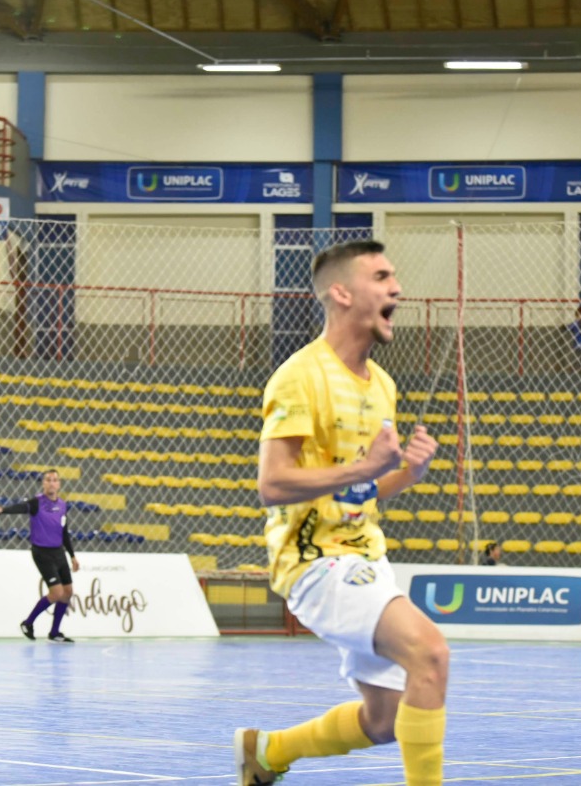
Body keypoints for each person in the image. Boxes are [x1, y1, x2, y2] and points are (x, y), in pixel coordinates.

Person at [237, 239, 447, 786]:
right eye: (381, 276)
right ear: (341, 292)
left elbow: (366, 491)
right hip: (314, 562)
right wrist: (363, 470)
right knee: (430, 654)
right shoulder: (299, 375)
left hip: (364, 556)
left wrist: (409, 473)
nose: (396, 287)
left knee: (383, 723)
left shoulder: (383, 386)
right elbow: (272, 483)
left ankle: (268, 751)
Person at [0, 469, 80, 642]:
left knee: (68, 592)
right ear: (43, 483)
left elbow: (64, 532)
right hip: (42, 553)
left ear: (59, 484)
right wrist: (3, 510)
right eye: (48, 479)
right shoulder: (37, 502)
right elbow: (21, 508)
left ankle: (54, 633)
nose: (52, 482)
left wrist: (73, 556)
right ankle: (28, 623)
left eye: (55, 480)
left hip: (59, 552)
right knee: (57, 592)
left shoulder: (62, 505)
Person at [565, 304, 581, 373]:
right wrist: (564, 327)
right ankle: (572, 371)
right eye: (579, 315)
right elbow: (569, 327)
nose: (580, 317)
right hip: (576, 345)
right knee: (575, 359)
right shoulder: (575, 323)